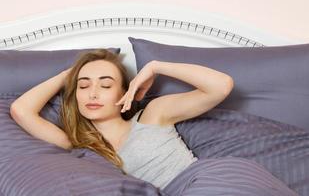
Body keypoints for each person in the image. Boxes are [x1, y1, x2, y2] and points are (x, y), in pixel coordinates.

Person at [10, 49, 298, 195]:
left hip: (204, 183)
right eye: (84, 86)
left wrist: (156, 66)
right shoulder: (77, 144)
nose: (93, 93)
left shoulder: (153, 115)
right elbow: (21, 110)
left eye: (105, 84)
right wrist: (70, 74)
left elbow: (221, 86)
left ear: (125, 92)